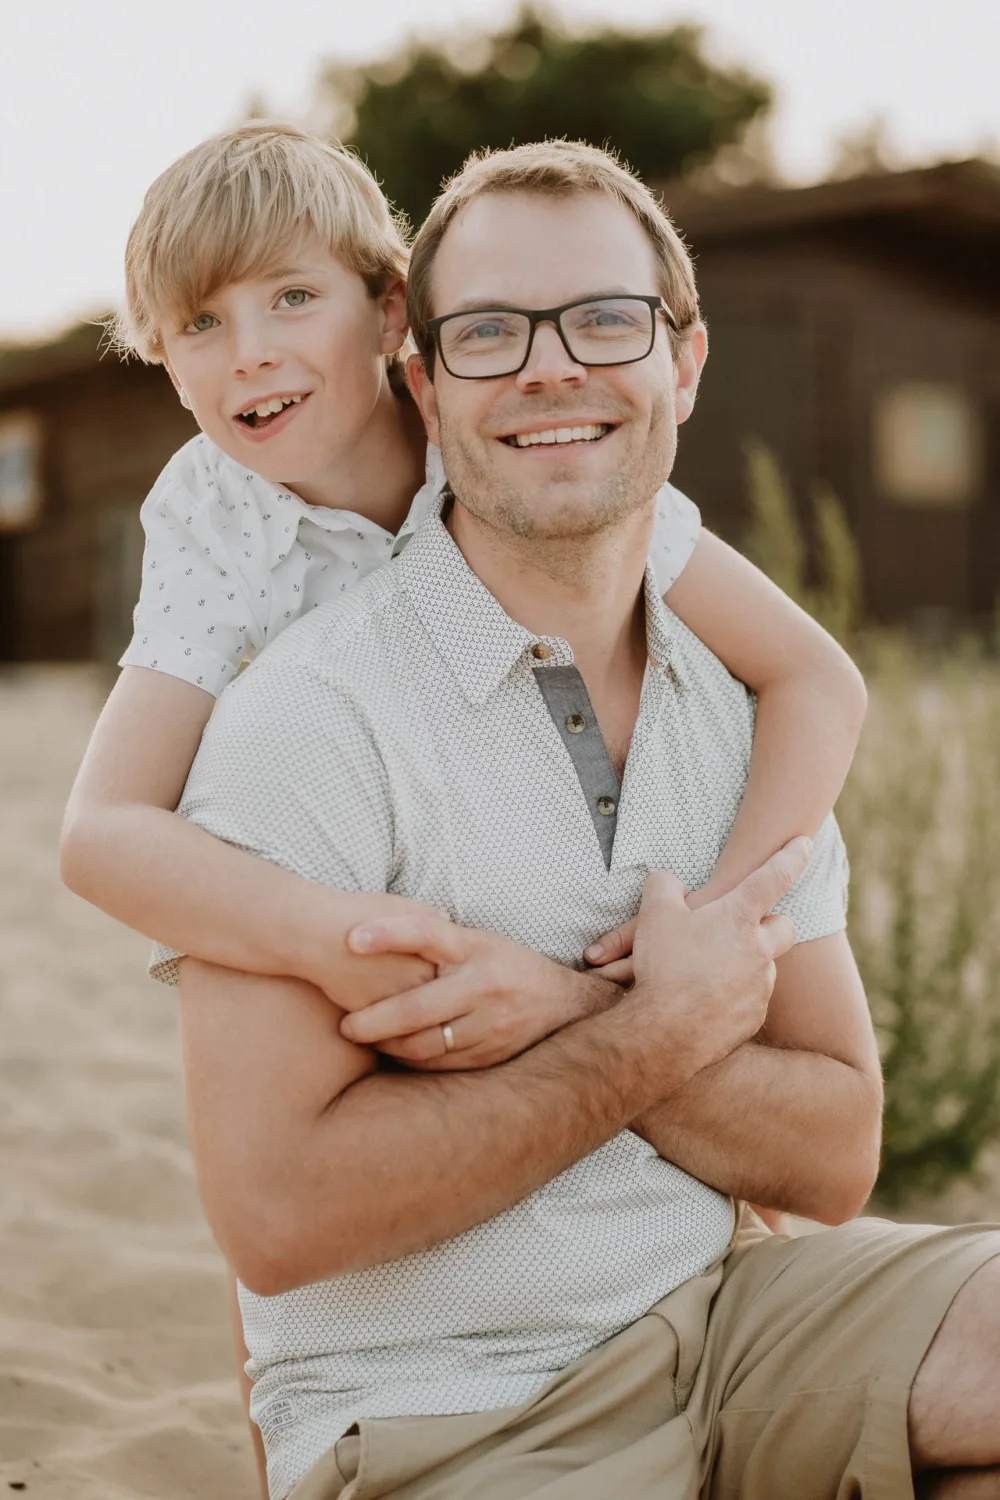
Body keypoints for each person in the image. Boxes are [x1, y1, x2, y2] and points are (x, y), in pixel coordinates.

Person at [169, 142, 999, 1500]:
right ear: (424, 386)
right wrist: (657, 1032)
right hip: (457, 1410)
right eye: (490, 333)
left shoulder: (745, 713)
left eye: (606, 320)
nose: (552, 369)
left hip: (736, 1329)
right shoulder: (310, 717)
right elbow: (277, 1216)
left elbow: (835, 1151)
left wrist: (566, 1014)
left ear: (683, 362)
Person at [60, 121, 867, 1030]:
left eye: (292, 296)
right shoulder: (212, 511)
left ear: (392, 311)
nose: (249, 351)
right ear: (168, 369)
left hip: (557, 837)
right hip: (384, 864)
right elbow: (102, 833)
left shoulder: (507, 436)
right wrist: (337, 938)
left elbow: (817, 677)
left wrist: (722, 913)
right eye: (201, 323)